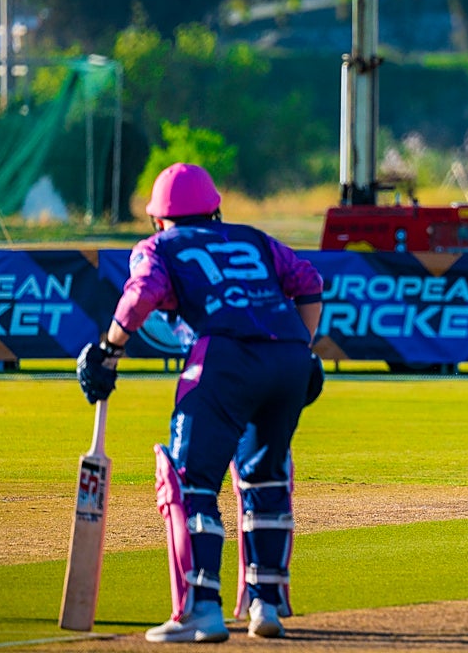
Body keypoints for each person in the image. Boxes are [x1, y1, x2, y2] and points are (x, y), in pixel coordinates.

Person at [76, 163, 325, 643]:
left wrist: (109, 350)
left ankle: (200, 609)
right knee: (266, 477)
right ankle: (265, 605)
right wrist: (303, 348)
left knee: (190, 482)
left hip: (225, 357)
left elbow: (141, 294)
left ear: (157, 219)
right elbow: (309, 282)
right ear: (216, 209)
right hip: (289, 357)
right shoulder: (252, 238)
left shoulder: (159, 246)